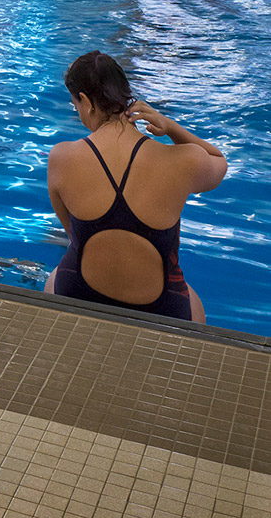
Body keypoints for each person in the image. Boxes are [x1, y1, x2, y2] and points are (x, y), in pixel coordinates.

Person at [44, 51, 225, 322]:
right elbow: (218, 161)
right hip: (161, 308)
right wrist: (171, 127)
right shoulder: (180, 161)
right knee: (194, 301)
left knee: (52, 280)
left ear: (85, 101)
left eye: (75, 106)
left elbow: (74, 236)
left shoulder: (61, 157)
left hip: (78, 293)